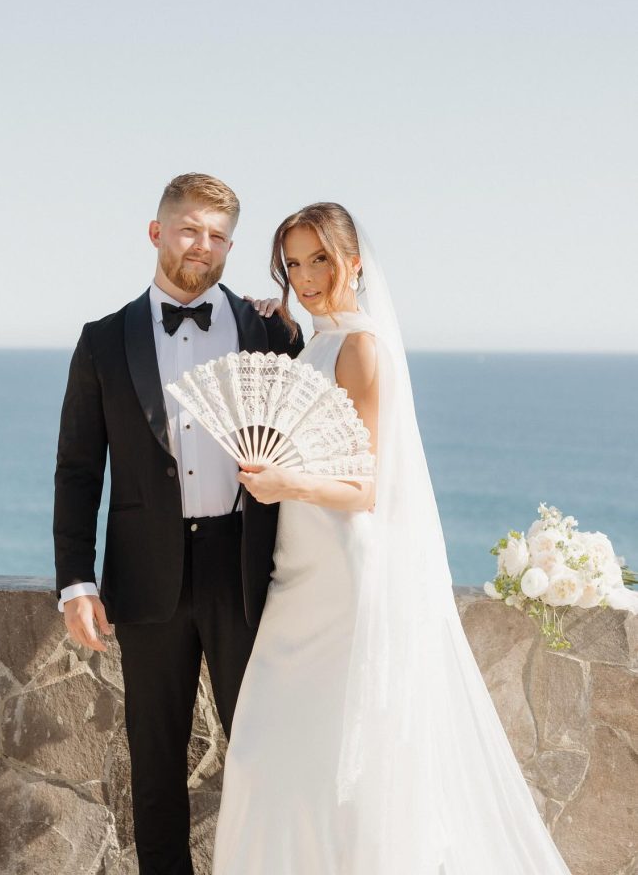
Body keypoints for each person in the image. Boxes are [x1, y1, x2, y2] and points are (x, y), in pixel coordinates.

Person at [212, 202, 573, 874]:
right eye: (293, 263)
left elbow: (367, 490)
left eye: (319, 258)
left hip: (341, 581)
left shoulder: (359, 347)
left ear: (353, 261)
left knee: (334, 765)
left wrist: (285, 484)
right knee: (268, 755)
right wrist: (277, 324)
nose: (307, 275)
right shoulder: (312, 342)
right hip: (296, 574)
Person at [51, 173, 303, 875]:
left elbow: (307, 434)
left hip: (245, 569)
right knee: (155, 762)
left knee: (261, 751)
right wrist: (75, 579)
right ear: (157, 232)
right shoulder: (102, 341)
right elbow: (78, 470)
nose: (203, 245)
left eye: (218, 235)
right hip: (145, 575)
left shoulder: (270, 330)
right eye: (189, 229)